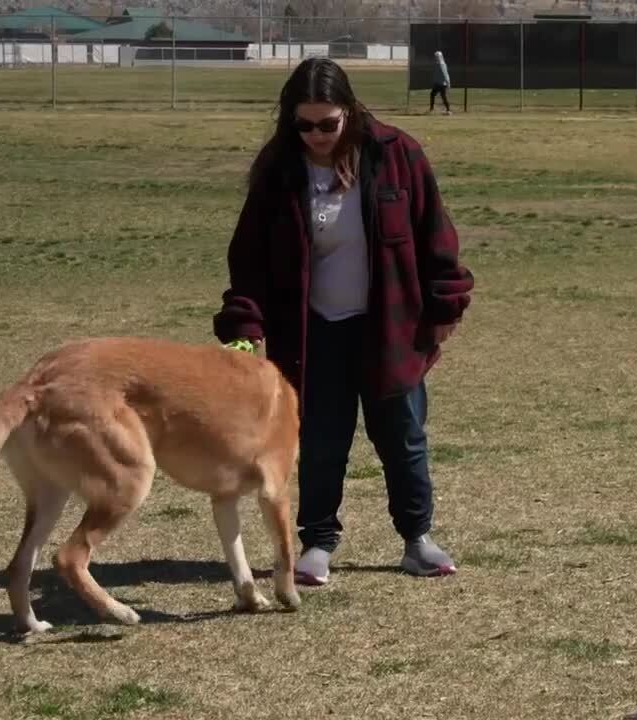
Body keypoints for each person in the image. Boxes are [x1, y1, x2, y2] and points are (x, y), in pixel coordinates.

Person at [213, 57, 474, 585]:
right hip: (313, 332)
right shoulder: (279, 170)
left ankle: (417, 539)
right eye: (302, 124)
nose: (315, 135)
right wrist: (246, 326)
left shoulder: (398, 156)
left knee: (403, 437)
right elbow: (250, 258)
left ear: (350, 112)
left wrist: (446, 304)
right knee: (323, 440)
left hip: (390, 329)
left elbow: (434, 236)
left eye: (327, 124)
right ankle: (317, 544)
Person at [429, 50, 452, 115]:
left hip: (442, 84)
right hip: (437, 84)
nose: (436, 58)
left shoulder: (442, 64)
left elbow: (446, 74)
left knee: (443, 97)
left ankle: (448, 110)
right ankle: (431, 109)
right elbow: (436, 75)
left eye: (437, 56)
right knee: (432, 94)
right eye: (435, 56)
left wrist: (448, 83)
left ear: (440, 57)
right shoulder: (436, 64)